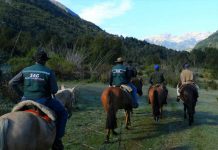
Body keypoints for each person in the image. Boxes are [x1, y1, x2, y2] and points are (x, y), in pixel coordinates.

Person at [9, 49, 68, 150]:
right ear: (45, 60)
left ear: (35, 60)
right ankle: (57, 139)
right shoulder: (49, 72)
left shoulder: (25, 70)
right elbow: (54, 90)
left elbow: (12, 83)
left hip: (25, 100)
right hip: (43, 101)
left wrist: (21, 95)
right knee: (63, 113)